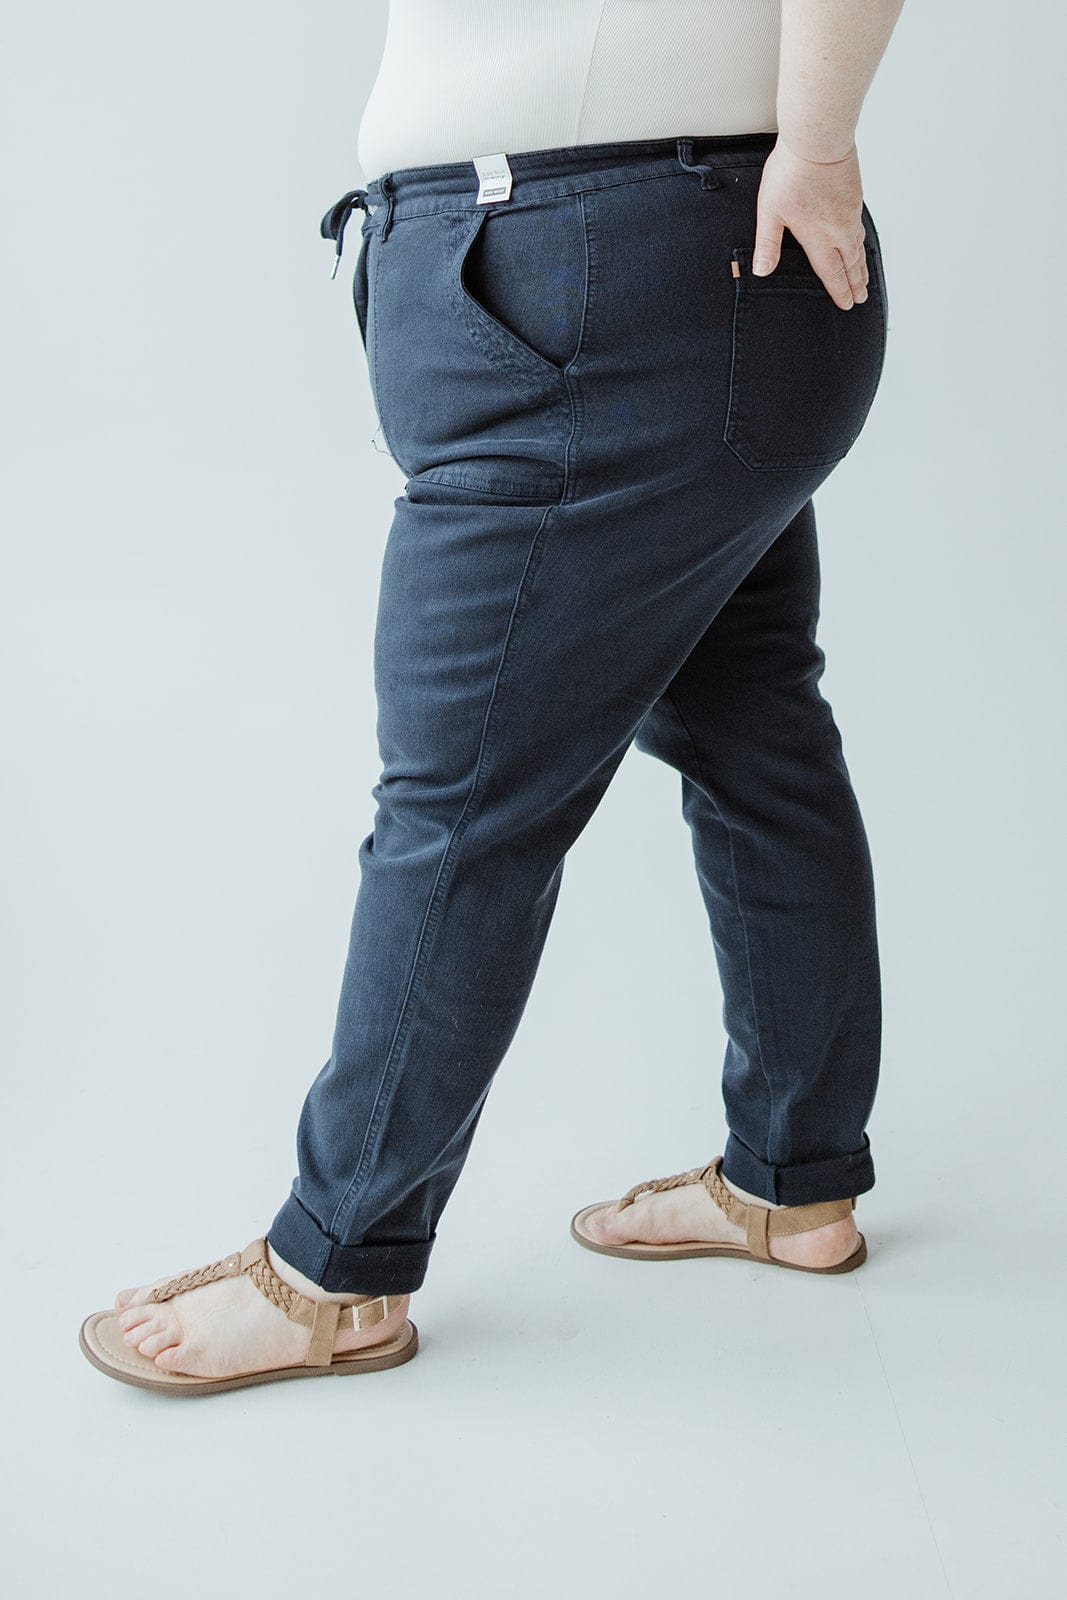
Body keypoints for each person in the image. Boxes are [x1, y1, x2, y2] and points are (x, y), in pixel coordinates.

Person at [80, 0, 907, 1396]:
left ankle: (336, 1269)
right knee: (753, 725)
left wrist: (820, 144)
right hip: (656, 267)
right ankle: (793, 1179)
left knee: (462, 804)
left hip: (606, 270)